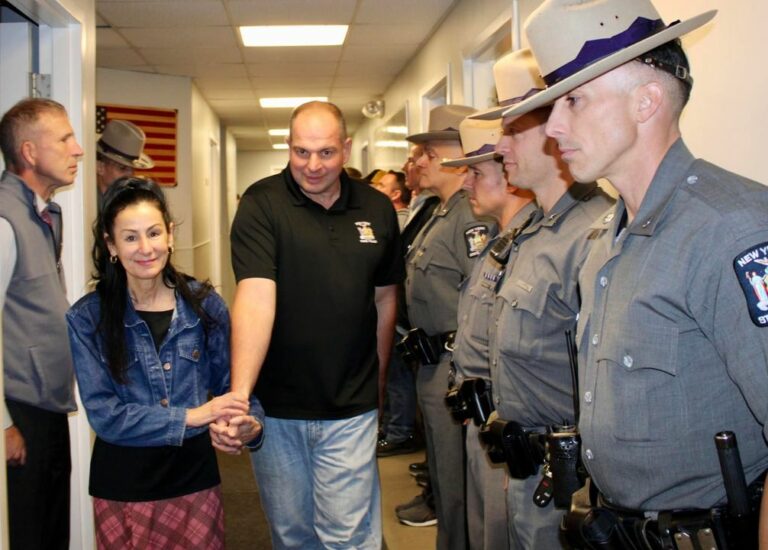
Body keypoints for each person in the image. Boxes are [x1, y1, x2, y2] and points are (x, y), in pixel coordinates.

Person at [506, 1, 768, 547]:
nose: (553, 127)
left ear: (646, 102)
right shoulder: (605, 240)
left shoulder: (731, 229)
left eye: (573, 100)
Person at [222, 101, 403, 549]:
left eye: (325, 152)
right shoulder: (261, 204)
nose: (313, 165)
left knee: (348, 536)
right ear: (289, 146)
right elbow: (256, 295)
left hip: (351, 400)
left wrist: (377, 381)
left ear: (345, 148)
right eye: (302, 152)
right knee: (293, 534)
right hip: (278, 407)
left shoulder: (378, 210)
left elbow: (384, 299)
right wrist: (240, 397)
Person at [66, 177, 263, 549]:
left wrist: (247, 426)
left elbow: (232, 389)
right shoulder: (87, 319)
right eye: (130, 237)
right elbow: (106, 416)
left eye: (154, 233)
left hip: (194, 481)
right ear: (110, 245)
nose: (146, 248)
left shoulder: (206, 307)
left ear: (170, 235)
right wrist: (193, 416)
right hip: (123, 487)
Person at [474, 47, 614, 548]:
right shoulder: (534, 229)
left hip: (566, 483)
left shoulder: (591, 234)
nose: (500, 147)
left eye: (512, 130)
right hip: (525, 466)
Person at [441, 110, 536, 550]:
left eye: (475, 172)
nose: (465, 183)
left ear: (508, 174)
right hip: (480, 420)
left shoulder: (534, 243)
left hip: (508, 428)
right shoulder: (500, 242)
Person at [400, 104, 492, 548]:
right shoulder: (440, 213)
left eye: (431, 153)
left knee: (457, 482)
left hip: (455, 365)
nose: (421, 161)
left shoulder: (472, 218)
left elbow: (480, 299)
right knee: (443, 473)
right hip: (431, 363)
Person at [0, 98, 83, 549]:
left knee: (52, 531)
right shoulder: (4, 219)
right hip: (20, 412)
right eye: (65, 138)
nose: (79, 149)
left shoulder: (44, 212)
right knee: (30, 533)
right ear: (30, 153)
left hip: (47, 405)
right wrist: (3, 425)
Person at [96, 119, 154, 200]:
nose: (130, 175)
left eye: (132, 169)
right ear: (100, 167)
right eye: (122, 168)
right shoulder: (84, 204)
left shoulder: (128, 202)